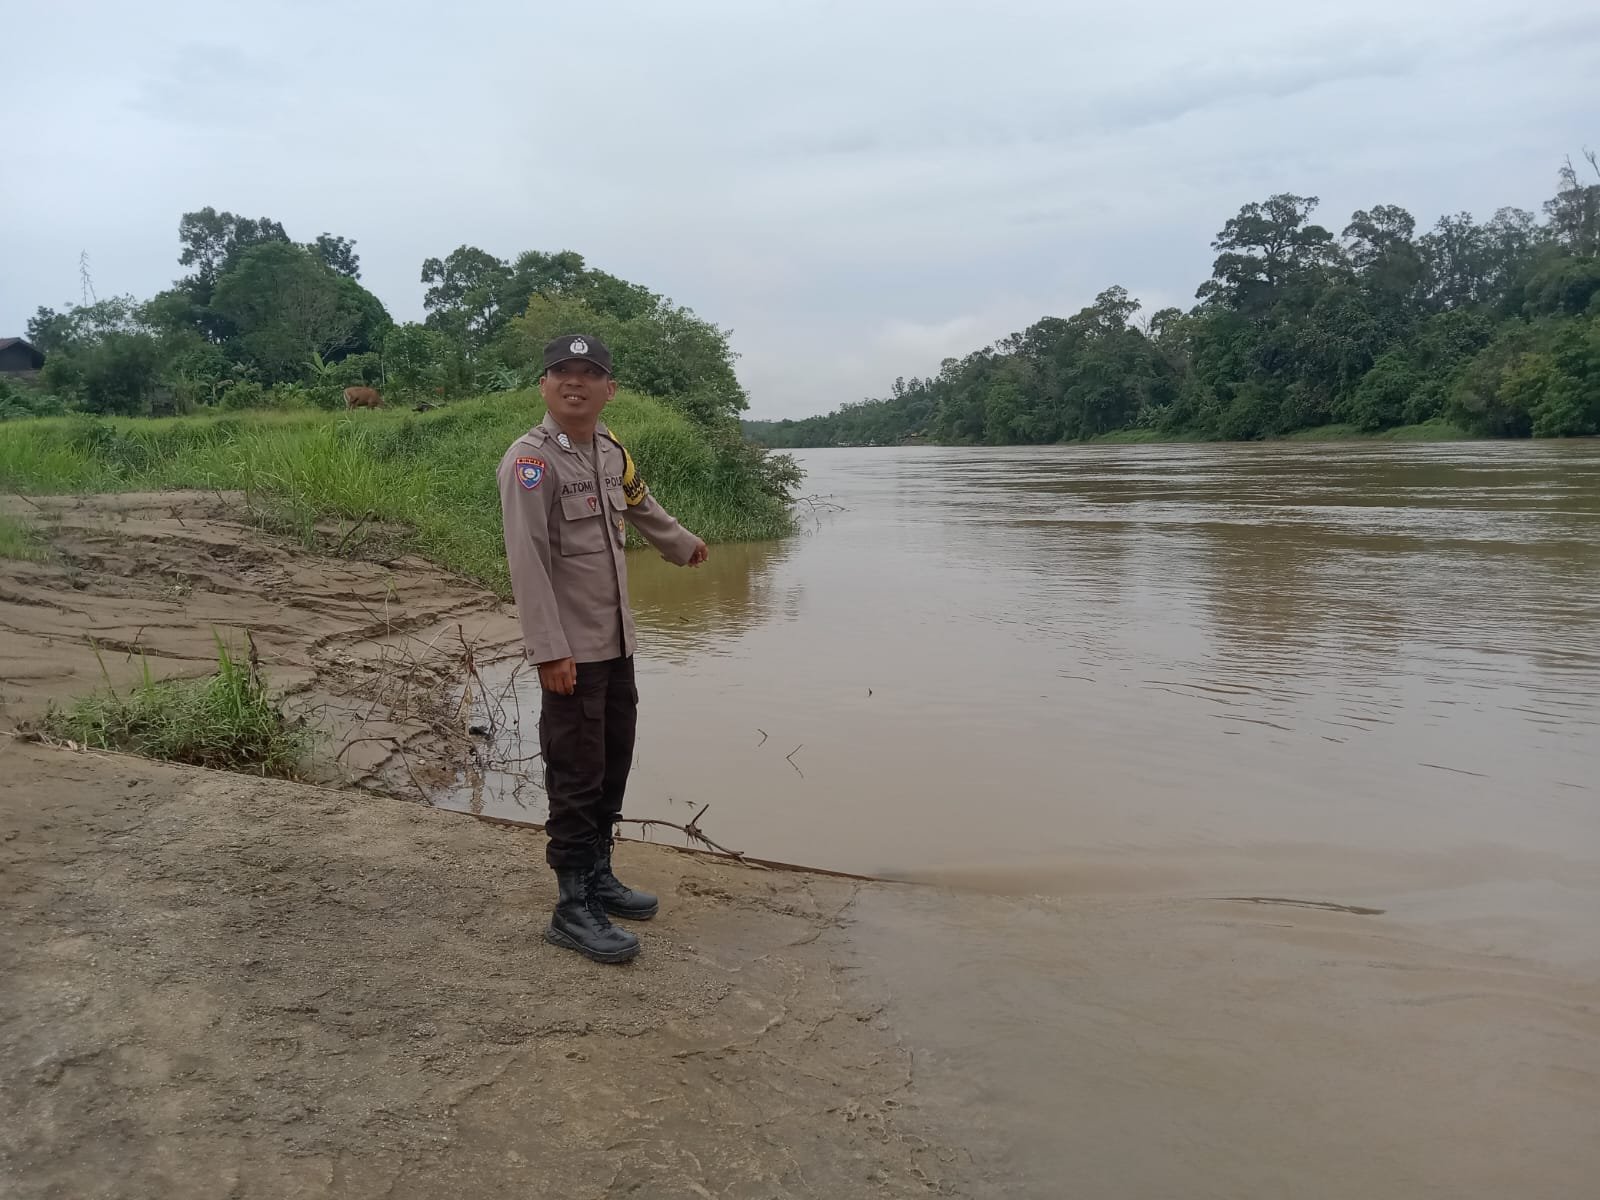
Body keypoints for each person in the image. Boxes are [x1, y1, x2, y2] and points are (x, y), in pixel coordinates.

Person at [497, 334, 708, 964]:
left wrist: (680, 543)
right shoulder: (531, 463)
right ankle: (571, 906)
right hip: (571, 651)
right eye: (562, 371)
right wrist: (548, 650)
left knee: (613, 759)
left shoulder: (609, 451)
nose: (575, 382)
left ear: (608, 388)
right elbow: (527, 563)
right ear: (544, 384)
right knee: (576, 772)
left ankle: (600, 877)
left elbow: (639, 504)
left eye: (590, 373)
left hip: (616, 641)